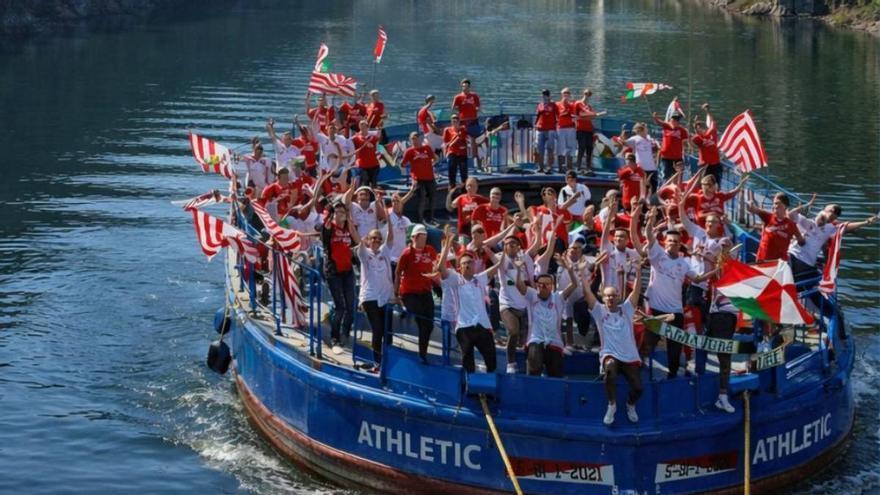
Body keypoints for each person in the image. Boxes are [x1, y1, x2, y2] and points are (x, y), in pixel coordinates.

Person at [631, 206, 718, 378]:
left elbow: (698, 279)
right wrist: (650, 219)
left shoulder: (685, 263)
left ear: (680, 245)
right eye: (670, 241)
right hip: (655, 309)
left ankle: (672, 376)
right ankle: (637, 371)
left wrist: (716, 270)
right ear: (665, 242)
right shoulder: (657, 254)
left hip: (676, 311)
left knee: (675, 349)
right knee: (648, 344)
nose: (672, 243)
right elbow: (648, 234)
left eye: (676, 242)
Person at [582, 254, 644, 425]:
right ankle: (612, 405)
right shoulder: (599, 311)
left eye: (613, 295)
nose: (610, 298)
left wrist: (638, 271)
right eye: (607, 296)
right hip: (610, 354)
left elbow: (637, 291)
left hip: (629, 356)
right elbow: (587, 292)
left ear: (618, 297)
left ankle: (630, 404)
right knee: (609, 370)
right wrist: (581, 274)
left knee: (639, 388)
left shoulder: (627, 309)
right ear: (603, 297)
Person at [438, 233, 506, 374]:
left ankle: (489, 390)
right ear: (460, 268)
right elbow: (441, 269)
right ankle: (469, 385)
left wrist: (504, 251)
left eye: (470, 262)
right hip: (464, 326)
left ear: (475, 265)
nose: (468, 265)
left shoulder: (480, 279)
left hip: (482, 325)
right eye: (464, 263)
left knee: (491, 359)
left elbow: (498, 265)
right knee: (467, 355)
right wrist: (446, 249)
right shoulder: (455, 279)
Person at [517, 255, 580, 377]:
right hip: (536, 339)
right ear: (536, 285)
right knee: (534, 356)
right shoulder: (531, 295)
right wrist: (518, 270)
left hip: (554, 341)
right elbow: (519, 285)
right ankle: (532, 384)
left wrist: (571, 271)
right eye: (541, 284)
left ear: (552, 286)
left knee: (556, 370)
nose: (544, 287)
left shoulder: (558, 297)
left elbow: (574, 285)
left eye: (547, 284)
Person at [394, 224, 438, 363]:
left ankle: (422, 353)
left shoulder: (430, 250)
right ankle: (422, 354)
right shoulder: (407, 253)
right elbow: (398, 272)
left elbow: (437, 265)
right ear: (414, 237)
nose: (423, 239)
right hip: (410, 292)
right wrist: (396, 294)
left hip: (425, 291)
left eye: (425, 236)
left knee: (429, 324)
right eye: (420, 236)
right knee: (421, 319)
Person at [322, 200, 360, 352]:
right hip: (333, 271)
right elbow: (328, 223)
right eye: (337, 212)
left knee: (351, 306)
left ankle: (345, 332)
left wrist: (348, 219)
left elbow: (357, 240)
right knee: (340, 307)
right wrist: (333, 212)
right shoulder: (330, 227)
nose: (340, 214)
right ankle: (335, 337)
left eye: (342, 212)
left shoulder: (348, 228)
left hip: (347, 270)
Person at [357, 220, 396, 367]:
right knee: (378, 328)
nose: (377, 241)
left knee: (388, 331)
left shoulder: (385, 252)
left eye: (379, 238)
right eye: (373, 238)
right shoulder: (364, 253)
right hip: (370, 297)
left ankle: (388, 361)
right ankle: (377, 362)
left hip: (386, 296)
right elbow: (359, 245)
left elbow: (391, 237)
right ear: (368, 240)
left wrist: (389, 220)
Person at [746, 192, 805, 262]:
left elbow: (801, 241)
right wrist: (750, 205)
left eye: (777, 203)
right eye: (773, 203)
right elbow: (754, 210)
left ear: (785, 206)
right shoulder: (768, 217)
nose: (774, 206)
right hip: (762, 260)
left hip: (779, 263)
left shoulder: (791, 224)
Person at [401, 132, 438, 224]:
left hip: (430, 177)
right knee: (422, 198)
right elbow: (402, 164)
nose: (415, 140)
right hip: (418, 179)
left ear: (420, 139)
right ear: (410, 140)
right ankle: (420, 219)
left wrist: (431, 164)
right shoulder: (409, 151)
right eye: (413, 138)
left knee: (433, 197)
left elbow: (435, 158)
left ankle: (431, 217)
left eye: (416, 138)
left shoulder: (427, 148)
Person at [619, 122, 659, 194]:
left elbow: (657, 148)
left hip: (652, 167)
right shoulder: (635, 139)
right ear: (641, 130)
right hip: (641, 167)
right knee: (644, 188)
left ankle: (652, 202)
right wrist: (622, 134)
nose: (647, 130)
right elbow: (624, 143)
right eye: (646, 129)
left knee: (653, 188)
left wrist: (655, 145)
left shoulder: (650, 139)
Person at [573, 89, 606, 174]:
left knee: (589, 148)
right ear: (583, 93)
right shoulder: (578, 103)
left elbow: (592, 117)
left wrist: (589, 116)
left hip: (589, 129)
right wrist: (592, 115)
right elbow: (577, 115)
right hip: (580, 129)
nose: (587, 96)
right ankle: (578, 167)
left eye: (589, 94)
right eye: (586, 94)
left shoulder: (589, 106)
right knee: (581, 147)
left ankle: (588, 167)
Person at [446, 177, 489, 241]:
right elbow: (449, 207)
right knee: (464, 248)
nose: (470, 188)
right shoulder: (461, 198)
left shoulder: (481, 199)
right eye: (468, 185)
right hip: (463, 231)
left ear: (477, 187)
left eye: (473, 186)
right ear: (466, 187)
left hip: (477, 231)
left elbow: (491, 208)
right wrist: (451, 193)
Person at [384, 185, 417, 267]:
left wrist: (411, 191)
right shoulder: (388, 215)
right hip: (391, 258)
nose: (395, 203)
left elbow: (411, 239)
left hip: (403, 257)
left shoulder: (406, 220)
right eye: (393, 201)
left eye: (397, 201)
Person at [652, 111, 688, 182]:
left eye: (677, 120)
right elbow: (658, 122)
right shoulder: (666, 126)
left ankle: (676, 190)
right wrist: (655, 117)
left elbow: (685, 143)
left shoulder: (682, 130)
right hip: (666, 157)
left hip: (677, 157)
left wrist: (685, 149)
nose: (674, 121)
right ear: (671, 119)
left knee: (678, 176)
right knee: (666, 176)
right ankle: (666, 189)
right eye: (673, 119)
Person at [691, 103, 723, 185]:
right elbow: (694, 143)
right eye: (697, 128)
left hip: (716, 165)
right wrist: (695, 124)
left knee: (716, 184)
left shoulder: (712, 133)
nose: (700, 129)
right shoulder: (697, 138)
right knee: (704, 184)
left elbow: (713, 122)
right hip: (705, 166)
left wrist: (708, 111)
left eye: (701, 127)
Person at [451, 78, 481, 157]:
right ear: (461, 87)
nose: (465, 88)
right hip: (463, 121)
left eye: (466, 86)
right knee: (461, 138)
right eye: (463, 86)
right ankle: (462, 156)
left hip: (473, 120)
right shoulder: (458, 97)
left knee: (474, 139)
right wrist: (459, 110)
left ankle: (475, 157)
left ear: (469, 87)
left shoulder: (474, 96)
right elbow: (453, 107)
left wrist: (476, 109)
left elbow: (479, 107)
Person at [350, 120, 383, 188]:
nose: (363, 130)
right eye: (361, 128)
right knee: (366, 181)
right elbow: (349, 145)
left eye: (364, 127)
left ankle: (373, 196)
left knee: (374, 183)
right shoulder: (356, 139)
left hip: (374, 164)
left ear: (367, 128)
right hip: (362, 165)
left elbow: (378, 142)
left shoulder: (372, 138)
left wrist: (379, 128)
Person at [534, 89, 559, 174]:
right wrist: (535, 125)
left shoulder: (553, 105)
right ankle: (540, 167)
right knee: (540, 149)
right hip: (540, 129)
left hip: (550, 130)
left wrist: (557, 127)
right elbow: (537, 115)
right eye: (542, 95)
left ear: (549, 96)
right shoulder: (540, 105)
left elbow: (558, 116)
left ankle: (549, 167)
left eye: (545, 95)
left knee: (550, 149)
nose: (543, 97)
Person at [443, 114, 470, 187]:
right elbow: (445, 143)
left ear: (459, 121)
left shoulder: (463, 129)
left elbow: (465, 138)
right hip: (452, 152)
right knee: (452, 171)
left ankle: (464, 187)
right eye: (453, 121)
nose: (455, 122)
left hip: (462, 153)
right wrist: (446, 152)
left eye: (456, 121)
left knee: (463, 172)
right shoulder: (447, 130)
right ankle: (452, 186)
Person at [556, 88, 577, 172]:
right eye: (564, 93)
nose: (566, 94)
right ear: (561, 94)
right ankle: (560, 168)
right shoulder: (557, 104)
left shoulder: (572, 105)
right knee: (561, 148)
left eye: (568, 93)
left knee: (570, 148)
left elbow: (575, 115)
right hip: (561, 128)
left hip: (571, 128)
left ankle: (569, 168)